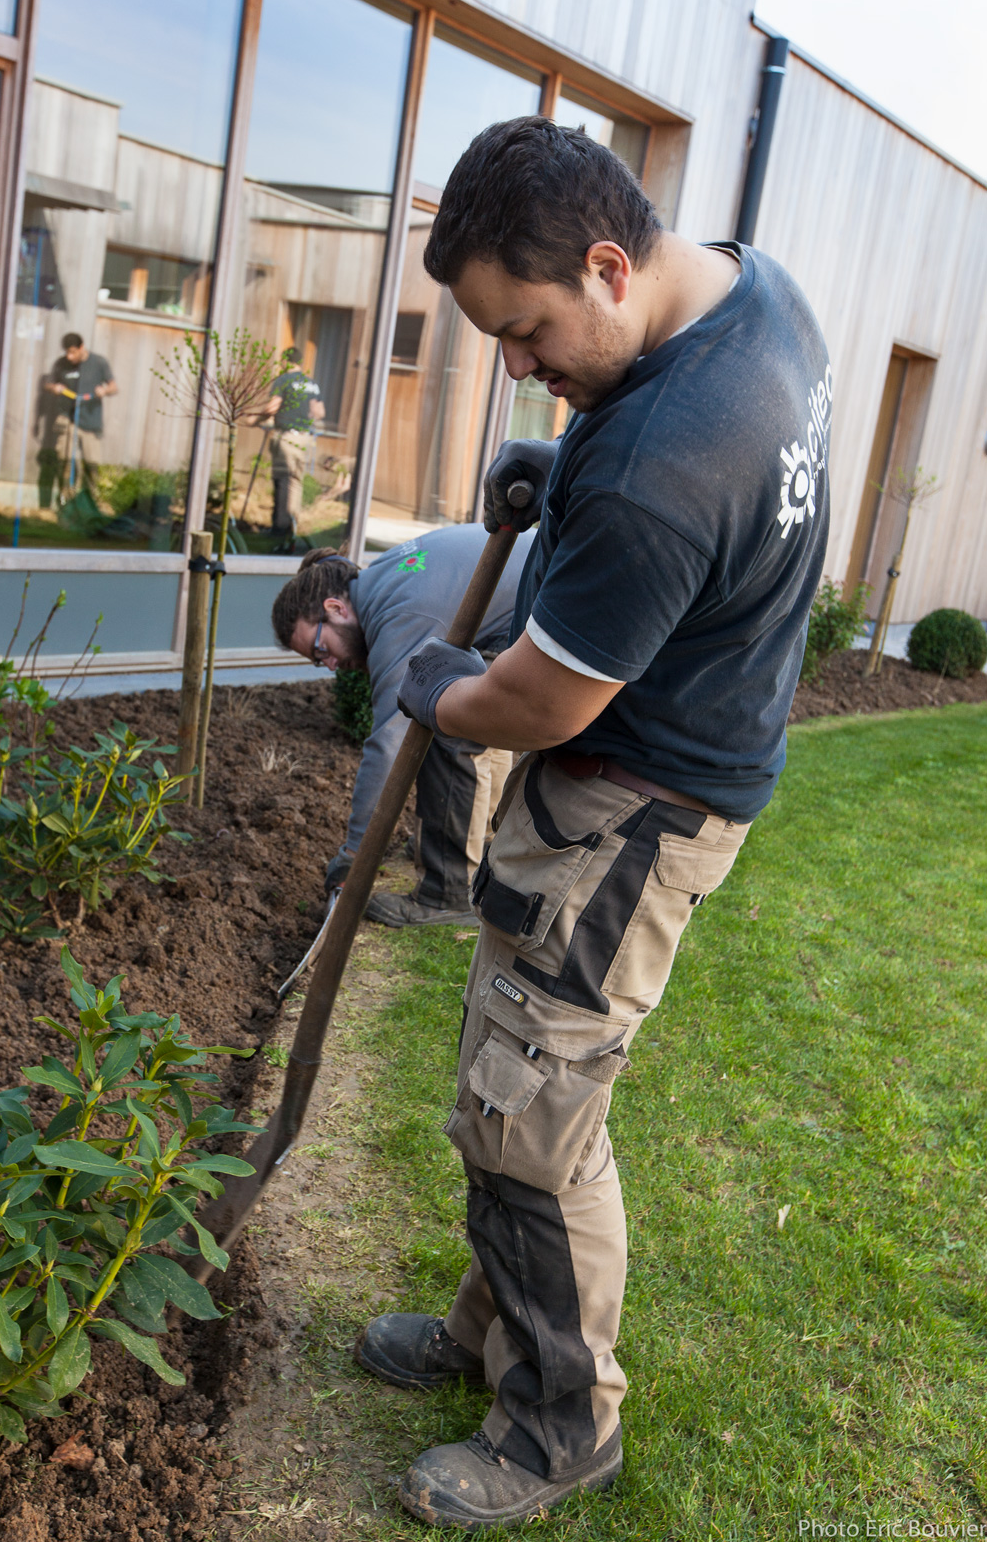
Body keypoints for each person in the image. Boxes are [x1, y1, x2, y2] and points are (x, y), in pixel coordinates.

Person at [355, 115, 831, 1530]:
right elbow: (625, 439)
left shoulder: (663, 463)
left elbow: (540, 704)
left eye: (529, 330)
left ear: (611, 262)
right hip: (676, 757)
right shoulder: (752, 290)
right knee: (514, 1077)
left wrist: (437, 688)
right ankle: (488, 1329)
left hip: (631, 804)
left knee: (530, 1113)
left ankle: (559, 1425)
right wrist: (553, 470)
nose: (518, 362)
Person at [271, 524, 534, 926]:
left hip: (554, 605)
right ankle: (474, 842)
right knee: (471, 717)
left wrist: (355, 856)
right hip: (537, 603)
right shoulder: (380, 579)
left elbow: (387, 745)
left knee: (446, 727)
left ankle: (446, 891)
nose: (328, 666)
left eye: (320, 649)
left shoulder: (399, 617)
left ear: (336, 609)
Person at [43, 332, 117, 502]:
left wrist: (104, 391)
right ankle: (66, 497)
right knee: (66, 460)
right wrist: (54, 388)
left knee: (92, 464)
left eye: (73, 352)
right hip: (67, 418)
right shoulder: (61, 364)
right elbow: (48, 383)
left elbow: (114, 387)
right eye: (67, 352)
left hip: (90, 420)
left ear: (81, 348)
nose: (69, 357)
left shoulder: (99, 362)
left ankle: (92, 500)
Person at [265, 346, 325, 540]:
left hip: (287, 437)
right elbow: (319, 413)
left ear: (284, 361)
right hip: (305, 439)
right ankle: (293, 524)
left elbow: (272, 407)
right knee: (296, 481)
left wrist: (256, 419)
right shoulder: (311, 384)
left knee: (282, 479)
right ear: (300, 362)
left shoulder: (284, 380)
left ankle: (279, 527)